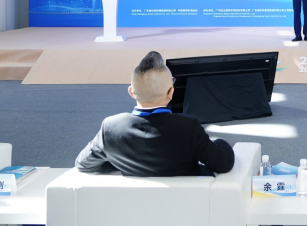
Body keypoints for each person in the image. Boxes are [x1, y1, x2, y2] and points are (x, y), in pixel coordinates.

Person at [76, 51, 235, 177]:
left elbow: (83, 164)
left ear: (131, 92)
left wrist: (120, 162)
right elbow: (223, 164)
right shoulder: (188, 127)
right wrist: (220, 142)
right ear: (170, 93)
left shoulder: (110, 128)